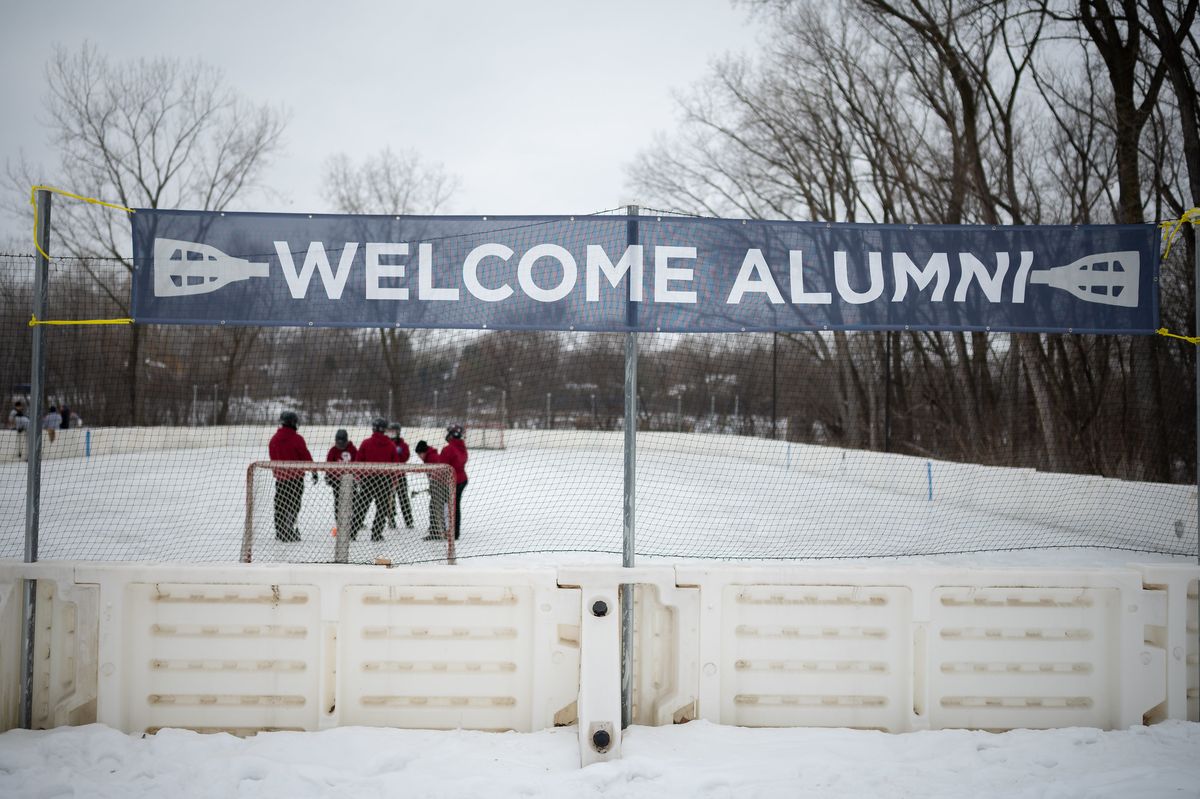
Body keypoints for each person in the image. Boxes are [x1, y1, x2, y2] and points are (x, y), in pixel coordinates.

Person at [351, 417, 400, 542]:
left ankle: (352, 532)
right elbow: (395, 464)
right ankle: (376, 534)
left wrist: (358, 477)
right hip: (385, 480)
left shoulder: (366, 443)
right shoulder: (391, 445)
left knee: (361, 508)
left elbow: (358, 461)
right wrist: (394, 480)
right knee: (382, 509)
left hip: (368, 480)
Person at [268, 410, 314, 542]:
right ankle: (288, 531)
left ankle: (280, 531)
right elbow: (305, 455)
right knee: (293, 505)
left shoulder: (274, 439)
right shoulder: (297, 439)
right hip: (296, 479)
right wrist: (313, 471)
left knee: (280, 505)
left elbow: (273, 457)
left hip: (281, 480)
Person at [439, 424, 469, 541]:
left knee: (451, 506)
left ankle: (453, 532)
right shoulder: (462, 447)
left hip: (454, 481)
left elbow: (442, 467)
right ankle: (454, 531)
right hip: (462, 479)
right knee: (455, 506)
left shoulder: (448, 449)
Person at [325, 429, 358, 532]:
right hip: (337, 481)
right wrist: (329, 476)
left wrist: (357, 477)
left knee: (354, 502)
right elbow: (329, 464)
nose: (340, 445)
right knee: (338, 503)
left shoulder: (353, 450)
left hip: (351, 480)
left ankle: (353, 522)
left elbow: (358, 463)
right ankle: (339, 522)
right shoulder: (333, 450)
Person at [415, 440, 448, 540]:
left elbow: (438, 473)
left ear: (424, 452)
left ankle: (437, 531)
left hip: (440, 485)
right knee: (434, 507)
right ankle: (435, 529)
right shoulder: (429, 456)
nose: (419, 457)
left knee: (436, 507)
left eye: (420, 454)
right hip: (437, 485)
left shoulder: (432, 457)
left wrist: (435, 485)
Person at [386, 422, 414, 529]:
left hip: (400, 475)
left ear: (398, 432)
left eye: (393, 431)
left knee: (403, 498)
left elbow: (405, 457)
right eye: (390, 431)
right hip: (388, 476)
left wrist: (398, 453)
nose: (391, 433)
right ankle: (391, 519)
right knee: (389, 499)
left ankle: (408, 520)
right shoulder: (386, 443)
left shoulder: (403, 445)